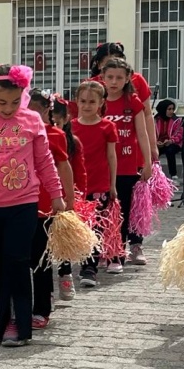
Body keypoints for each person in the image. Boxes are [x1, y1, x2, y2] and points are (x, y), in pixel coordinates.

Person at [0, 64, 64, 347]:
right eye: (2, 102)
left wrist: (56, 194)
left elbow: (44, 162)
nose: (8, 108)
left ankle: (18, 323)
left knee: (18, 262)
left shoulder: (31, 121)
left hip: (23, 204)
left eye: (15, 102)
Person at [26, 90, 76, 330]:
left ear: (47, 110)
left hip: (45, 205)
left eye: (34, 110)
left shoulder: (55, 135)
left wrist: (69, 200)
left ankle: (42, 306)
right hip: (19, 202)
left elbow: (65, 167)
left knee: (41, 258)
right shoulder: (18, 133)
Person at [101, 58, 152, 270]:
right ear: (102, 78)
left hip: (127, 166)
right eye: (110, 77)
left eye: (119, 77)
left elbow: (142, 133)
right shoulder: (97, 101)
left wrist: (148, 162)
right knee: (103, 211)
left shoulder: (133, 102)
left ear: (128, 79)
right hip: (101, 167)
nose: (114, 81)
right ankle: (101, 251)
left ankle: (118, 253)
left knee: (121, 210)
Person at [69, 81, 118, 289]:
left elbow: (111, 156)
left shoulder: (107, 127)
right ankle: (79, 261)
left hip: (99, 184)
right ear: (77, 102)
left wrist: (113, 184)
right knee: (79, 226)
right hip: (77, 186)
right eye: (83, 101)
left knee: (96, 226)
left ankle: (90, 268)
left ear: (101, 103)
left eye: (91, 101)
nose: (87, 105)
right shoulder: (71, 126)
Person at [87, 42, 158, 185]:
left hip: (130, 151)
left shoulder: (137, 81)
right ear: (100, 66)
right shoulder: (92, 86)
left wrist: (152, 145)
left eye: (117, 59)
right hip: (101, 153)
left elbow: (147, 115)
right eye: (107, 63)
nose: (114, 81)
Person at [51, 97, 86, 300]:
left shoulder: (73, 143)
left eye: (58, 121)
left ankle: (65, 274)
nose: (54, 125)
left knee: (63, 242)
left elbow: (79, 172)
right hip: (43, 199)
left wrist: (77, 197)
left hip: (65, 199)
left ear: (66, 119)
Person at [154, 99, 183, 178]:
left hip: (173, 143)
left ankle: (173, 175)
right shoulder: (155, 120)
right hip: (159, 143)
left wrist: (171, 141)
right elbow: (151, 133)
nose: (172, 111)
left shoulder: (176, 120)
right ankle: (154, 174)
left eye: (172, 109)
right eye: (169, 109)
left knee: (170, 151)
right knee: (153, 152)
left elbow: (179, 135)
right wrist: (156, 142)